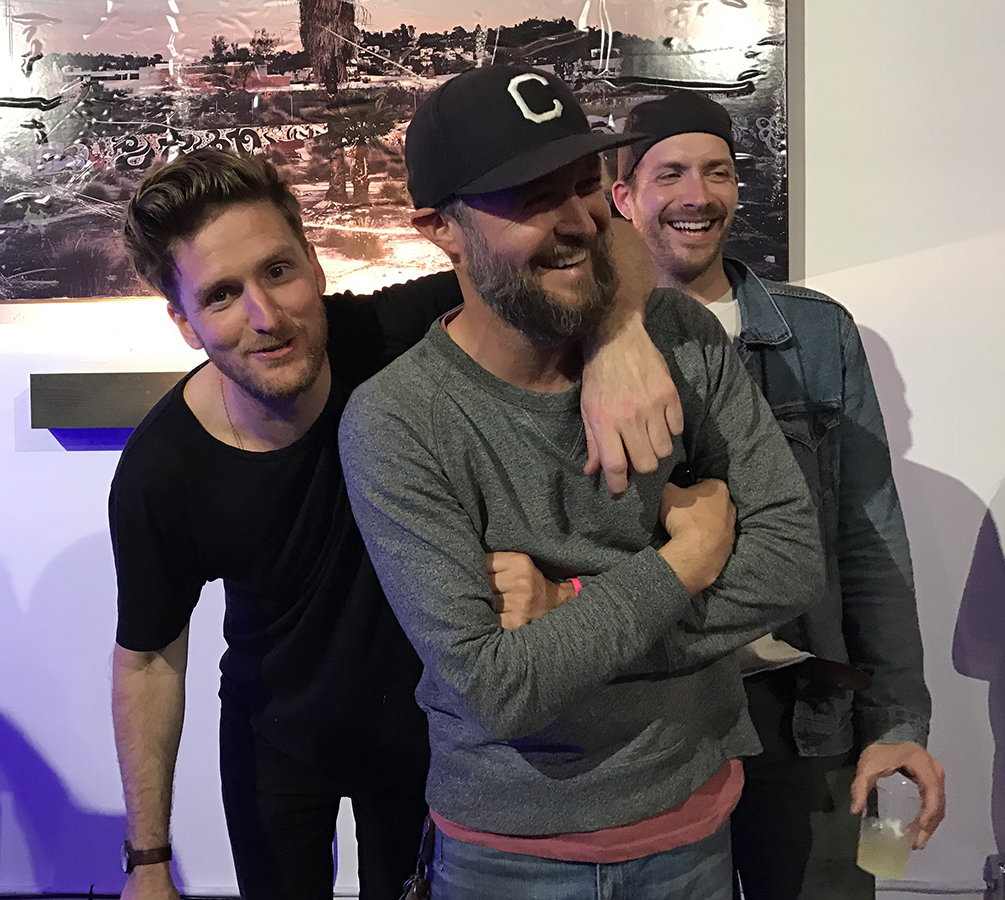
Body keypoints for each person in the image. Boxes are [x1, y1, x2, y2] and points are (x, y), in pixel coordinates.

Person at [108, 148, 681, 900]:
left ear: (315, 264)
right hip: (274, 744)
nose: (266, 316)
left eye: (278, 271)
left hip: (427, 735)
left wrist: (620, 339)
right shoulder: (164, 469)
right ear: (184, 323)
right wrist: (149, 863)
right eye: (221, 295)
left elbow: (613, 242)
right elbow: (149, 658)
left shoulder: (391, 337)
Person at [338, 64, 824, 900]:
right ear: (441, 228)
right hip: (508, 857)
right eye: (534, 197)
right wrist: (684, 561)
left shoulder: (677, 335)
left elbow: (790, 560)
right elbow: (501, 689)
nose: (579, 220)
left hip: (693, 822)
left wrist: (566, 609)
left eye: (585, 182)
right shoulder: (397, 419)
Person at [611, 90, 945, 899]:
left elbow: (868, 540)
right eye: (670, 174)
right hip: (652, 722)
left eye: (718, 172)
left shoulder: (817, 333)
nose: (697, 195)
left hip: (807, 713)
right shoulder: (583, 345)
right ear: (622, 197)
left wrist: (897, 724)